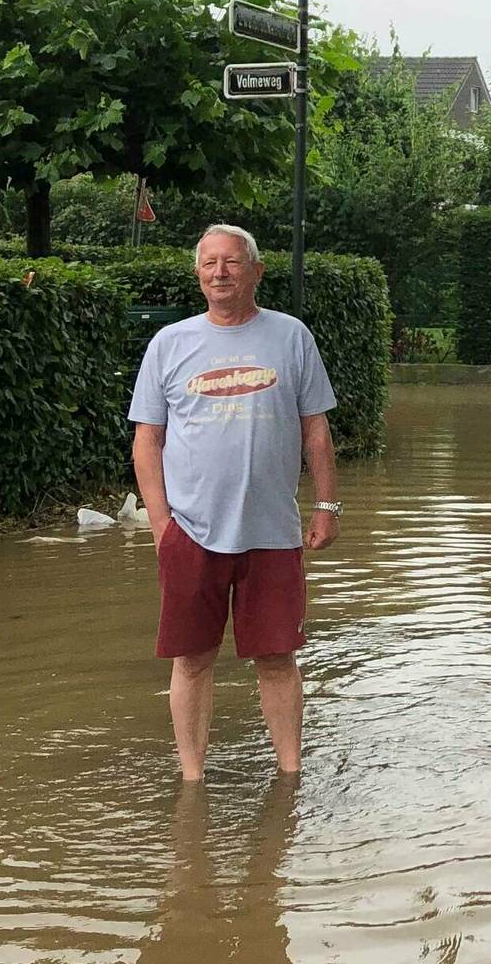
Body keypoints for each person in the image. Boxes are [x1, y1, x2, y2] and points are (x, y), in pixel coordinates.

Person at [130, 224, 342, 781]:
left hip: (272, 530)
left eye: (231, 262)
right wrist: (161, 525)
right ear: (198, 273)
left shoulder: (292, 336)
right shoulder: (170, 344)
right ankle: (192, 779)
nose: (219, 273)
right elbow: (147, 440)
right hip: (191, 531)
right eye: (209, 263)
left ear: (256, 271)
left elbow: (315, 428)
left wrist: (327, 505)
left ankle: (291, 776)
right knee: (193, 659)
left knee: (277, 658)